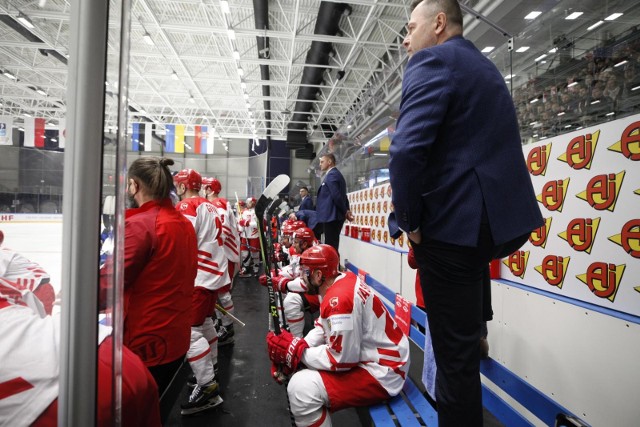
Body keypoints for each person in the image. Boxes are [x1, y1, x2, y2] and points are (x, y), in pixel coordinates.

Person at [389, 1, 544, 425]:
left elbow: (404, 152)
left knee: (454, 366)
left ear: (439, 24)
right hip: (482, 232)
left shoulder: (434, 60)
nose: (405, 39)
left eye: (411, 27)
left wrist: (411, 223)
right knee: (464, 354)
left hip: (450, 233)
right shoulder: (484, 66)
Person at [265, 244, 410, 426]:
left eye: (305, 272)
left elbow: (341, 359)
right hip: (380, 358)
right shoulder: (338, 281)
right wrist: (299, 345)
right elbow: (322, 325)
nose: (302, 276)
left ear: (318, 275)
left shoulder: (339, 300)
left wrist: (298, 353)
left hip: (386, 371)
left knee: (301, 388)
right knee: (303, 375)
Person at [107, 156, 198, 397]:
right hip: (176, 337)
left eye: (129, 184)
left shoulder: (141, 225)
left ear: (135, 186)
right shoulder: (183, 222)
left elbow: (109, 283)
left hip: (146, 342)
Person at [174, 168, 228, 414]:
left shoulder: (187, 207)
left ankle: (207, 387)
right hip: (214, 276)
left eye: (178, 184)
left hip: (200, 278)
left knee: (188, 333)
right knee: (206, 324)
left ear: (184, 186)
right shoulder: (210, 205)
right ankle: (211, 368)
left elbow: (181, 241)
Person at [258, 226, 319, 337]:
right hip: (313, 291)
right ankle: (282, 324)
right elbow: (292, 271)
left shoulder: (312, 256)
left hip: (318, 294)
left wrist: (282, 283)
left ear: (304, 244)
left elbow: (306, 284)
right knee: (280, 291)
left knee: (291, 300)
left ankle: (296, 339)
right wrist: (272, 275)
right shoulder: (304, 253)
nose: (293, 244)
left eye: (295, 242)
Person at [202, 177, 241, 346]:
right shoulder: (215, 204)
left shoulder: (218, 204)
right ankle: (222, 322)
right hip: (220, 254)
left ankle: (228, 326)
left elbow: (222, 231)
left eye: (204, 187)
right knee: (217, 293)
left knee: (223, 293)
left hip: (224, 254)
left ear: (210, 189)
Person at [315, 153, 354, 253]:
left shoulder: (332, 175)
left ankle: (333, 268)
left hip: (332, 217)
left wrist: (345, 211)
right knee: (331, 245)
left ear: (329, 162)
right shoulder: (333, 175)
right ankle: (334, 267)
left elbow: (337, 196)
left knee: (331, 247)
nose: (320, 164)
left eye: (322, 161)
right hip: (332, 216)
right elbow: (342, 196)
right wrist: (346, 210)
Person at [238, 196, 261, 276]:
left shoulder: (257, 211)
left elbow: (258, 224)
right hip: (245, 235)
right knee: (244, 253)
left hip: (254, 235)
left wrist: (247, 223)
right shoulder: (244, 212)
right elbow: (240, 223)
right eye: (247, 202)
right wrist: (240, 227)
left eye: (249, 202)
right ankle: (245, 267)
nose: (247, 204)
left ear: (253, 203)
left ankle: (256, 267)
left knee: (254, 253)